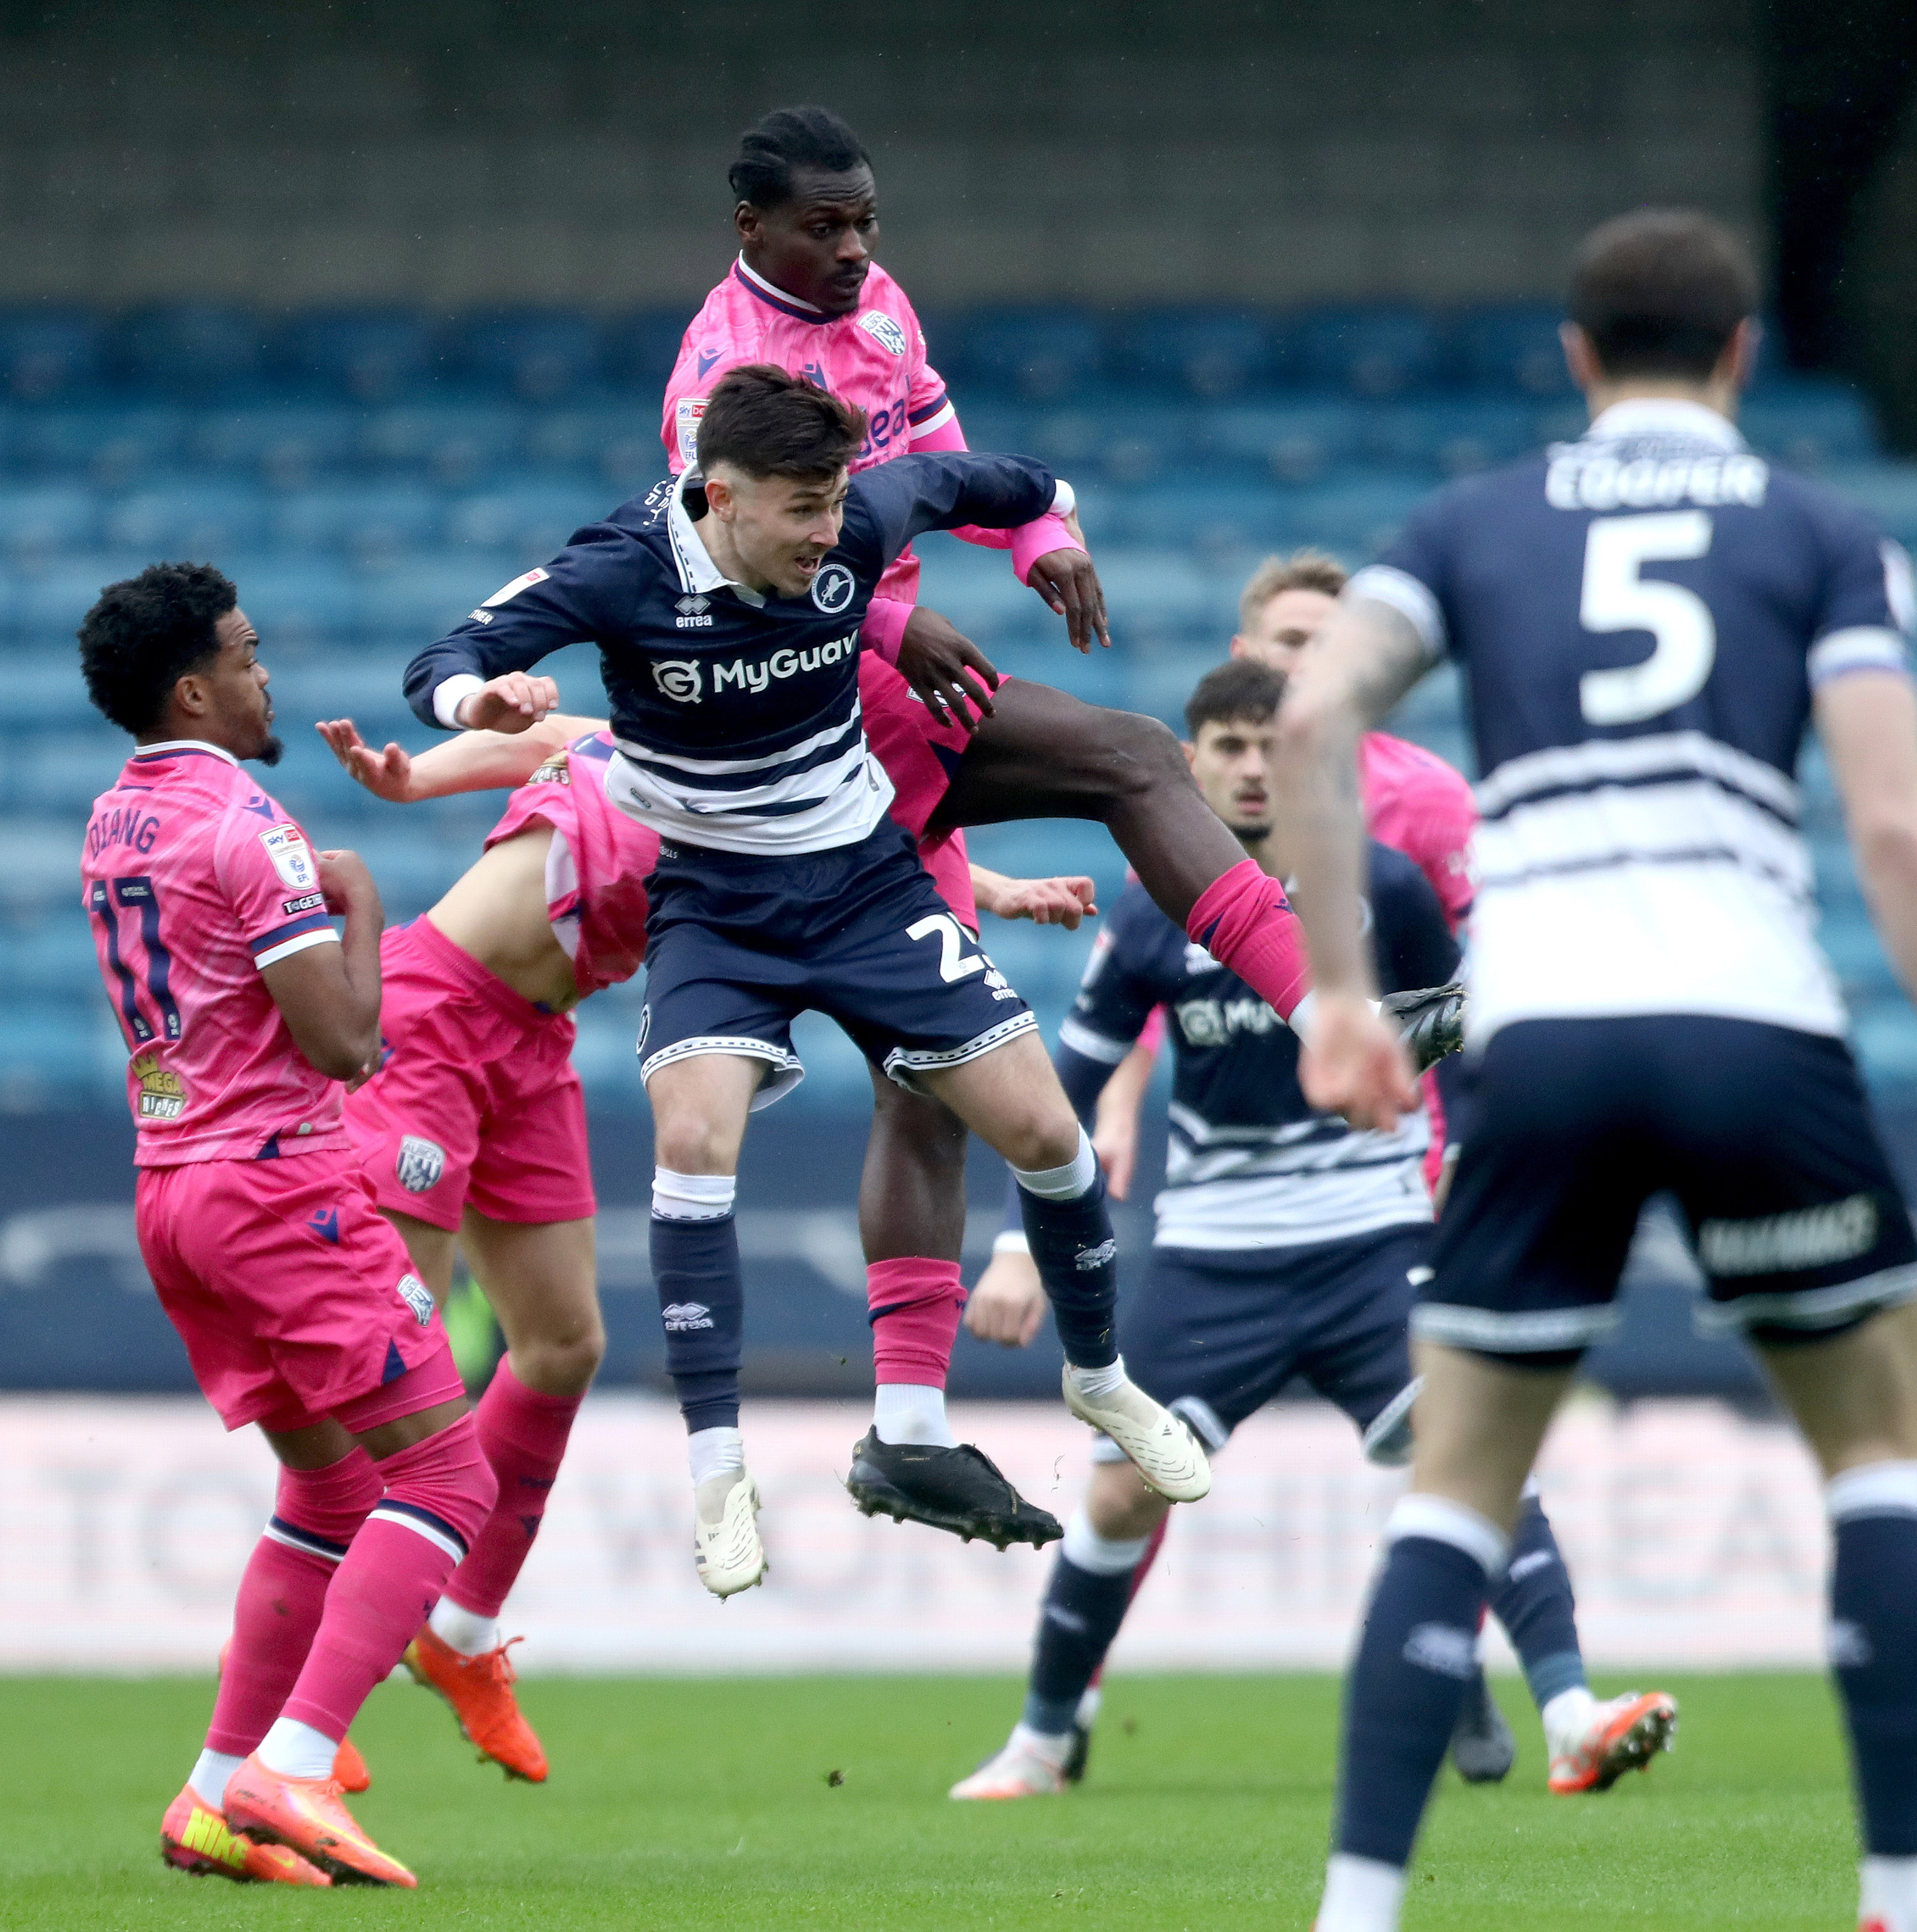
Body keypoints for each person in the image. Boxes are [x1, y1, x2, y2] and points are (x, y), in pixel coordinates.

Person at [1272, 210, 1917, 1932]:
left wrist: (1336, 991)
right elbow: (1896, 827)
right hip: (1747, 1019)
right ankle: (1906, 1894)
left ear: (1572, 358)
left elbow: (1314, 720)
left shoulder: (1469, 524)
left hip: (1536, 1030)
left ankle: (1354, 1907)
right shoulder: (1819, 532)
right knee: (1876, 1454)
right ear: (1742, 352)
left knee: (1456, 1488)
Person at [405, 367, 1216, 1600]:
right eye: (800, 510)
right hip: (716, 910)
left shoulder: (858, 518)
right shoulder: (621, 564)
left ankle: (1098, 1376)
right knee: (693, 1141)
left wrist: (1051, 517)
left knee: (1045, 1129)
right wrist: (486, 695)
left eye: (836, 502)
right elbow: (444, 658)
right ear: (717, 495)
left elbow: (968, 480)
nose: (828, 534)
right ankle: (717, 1470)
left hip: (863, 887)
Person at [662, 107, 1320, 1539]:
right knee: (1135, 758)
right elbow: (745, 564)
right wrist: (899, 624)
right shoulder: (723, 379)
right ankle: (1328, 1020)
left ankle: (904, 1427)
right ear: (748, 233)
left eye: (864, 224)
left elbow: (940, 449)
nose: (851, 251)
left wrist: (1037, 536)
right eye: (821, 229)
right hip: (814, 723)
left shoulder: (876, 310)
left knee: (932, 1080)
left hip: (882, 726)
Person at [307, 703, 1098, 1764]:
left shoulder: (803, 806)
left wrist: (990, 890)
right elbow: (538, 739)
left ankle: (461, 1631)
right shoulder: (693, 742)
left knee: (562, 1345)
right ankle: (303, 1703)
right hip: (432, 1021)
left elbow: (890, 849)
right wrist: (415, 780)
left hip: (530, 1042)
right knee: (399, 1386)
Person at [951, 662, 1667, 1802]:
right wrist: (1004, 1244)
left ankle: (1573, 1711)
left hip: (1368, 1243)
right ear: (1187, 763)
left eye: (1268, 744)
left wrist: (1480, 1184)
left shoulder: (1388, 888)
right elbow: (1061, 1085)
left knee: (1473, 1452)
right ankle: (1044, 1740)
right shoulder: (1148, 908)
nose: (1247, 766)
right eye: (1224, 747)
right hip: (1212, 1257)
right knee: (1118, 1493)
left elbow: (1469, 1056)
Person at [80, 562, 500, 1889]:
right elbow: (346, 1042)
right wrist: (364, 913)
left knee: (327, 1484)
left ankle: (210, 1798)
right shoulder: (245, 824)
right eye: (248, 655)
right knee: (446, 1477)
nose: (269, 675)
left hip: (171, 1190)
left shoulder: (111, 821)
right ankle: (298, 1760)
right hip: (277, 1185)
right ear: (196, 688)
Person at [1074, 551, 1479, 1201]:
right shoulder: (1186, 814)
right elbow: (1139, 976)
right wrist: (1118, 1112)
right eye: (1291, 642)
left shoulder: (1430, 796)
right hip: (1241, 1158)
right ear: (1244, 652)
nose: (1310, 663)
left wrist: (1460, 1141)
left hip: (1392, 1147)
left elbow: (1472, 973)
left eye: (1330, 645)